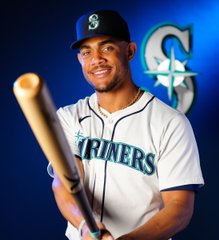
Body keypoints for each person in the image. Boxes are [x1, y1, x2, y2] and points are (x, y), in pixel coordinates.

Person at [50, 9, 204, 240]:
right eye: (86, 52)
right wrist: (84, 225)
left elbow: (179, 208)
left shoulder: (170, 123)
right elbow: (64, 182)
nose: (96, 59)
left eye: (107, 47)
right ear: (80, 59)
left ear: (130, 51)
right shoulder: (68, 117)